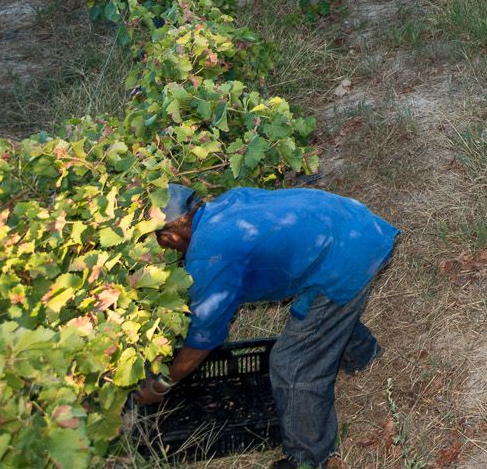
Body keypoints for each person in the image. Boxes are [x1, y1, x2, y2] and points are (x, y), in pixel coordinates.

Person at [135, 184, 398, 469]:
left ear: (170, 234)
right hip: (354, 223)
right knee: (321, 317)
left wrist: (162, 385)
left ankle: (308, 458)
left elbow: (203, 339)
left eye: (162, 242)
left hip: (349, 255)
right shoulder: (225, 206)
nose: (167, 249)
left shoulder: (211, 256)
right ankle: (364, 355)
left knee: (292, 364)